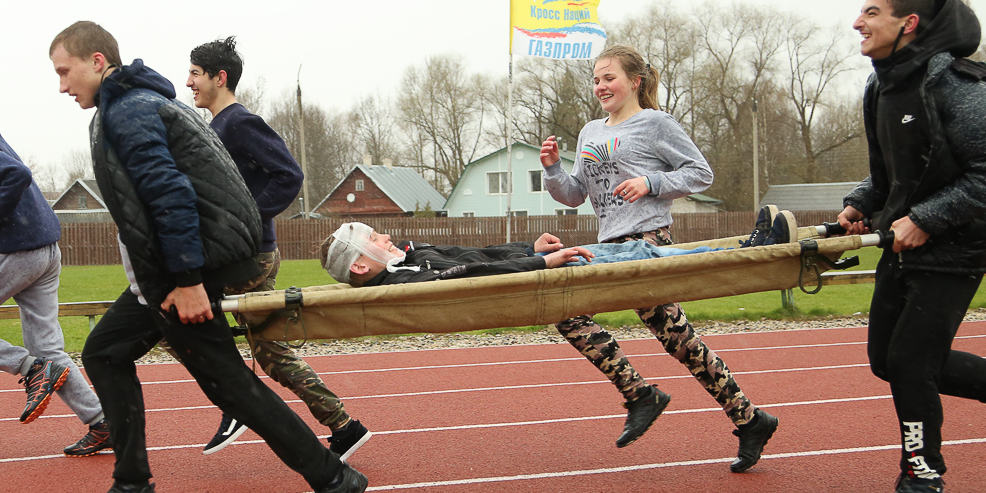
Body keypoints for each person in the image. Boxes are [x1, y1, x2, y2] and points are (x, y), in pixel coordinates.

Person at [48, 21, 365, 493]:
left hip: (184, 275)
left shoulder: (128, 110)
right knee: (105, 352)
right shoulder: (126, 106)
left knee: (230, 386)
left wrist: (190, 280)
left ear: (97, 61)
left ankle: (333, 479)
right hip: (163, 277)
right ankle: (132, 485)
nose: (61, 85)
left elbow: (169, 194)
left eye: (65, 71)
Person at [539, 45, 780, 472]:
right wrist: (554, 169)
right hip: (611, 245)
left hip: (648, 241)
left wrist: (650, 183)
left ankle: (648, 397)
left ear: (635, 81)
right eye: (595, 79)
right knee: (671, 338)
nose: (600, 86)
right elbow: (575, 196)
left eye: (609, 78)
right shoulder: (590, 131)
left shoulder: (655, 124)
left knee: (579, 311)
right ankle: (741, 417)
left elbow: (700, 173)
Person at [837, 0, 986, 493]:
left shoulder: (957, 84)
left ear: (907, 23)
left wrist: (928, 219)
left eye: (871, 13)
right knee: (886, 361)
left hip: (959, 245)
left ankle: (925, 484)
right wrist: (861, 202)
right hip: (904, 241)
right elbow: (894, 171)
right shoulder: (881, 86)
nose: (858, 23)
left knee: (911, 362)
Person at [186, 36, 370, 459]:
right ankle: (345, 427)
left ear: (220, 77)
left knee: (181, 316)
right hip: (239, 253)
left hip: (248, 256)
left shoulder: (239, 123)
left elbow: (289, 174)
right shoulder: (216, 127)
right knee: (270, 351)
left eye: (195, 74)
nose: (189, 82)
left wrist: (246, 220)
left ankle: (235, 399)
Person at [0, 82, 108, 456]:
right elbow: (18, 195)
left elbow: (17, 176)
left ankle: (30, 369)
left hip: (19, 255)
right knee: (48, 349)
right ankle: (102, 422)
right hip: (47, 252)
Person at [321, 218, 793, 289]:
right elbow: (471, 274)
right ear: (360, 265)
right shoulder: (405, 278)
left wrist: (528, 248)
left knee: (636, 248)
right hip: (534, 281)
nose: (386, 237)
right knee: (641, 258)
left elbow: (474, 252)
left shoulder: (410, 255)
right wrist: (539, 262)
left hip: (532, 267)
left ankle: (746, 247)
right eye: (375, 239)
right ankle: (758, 253)